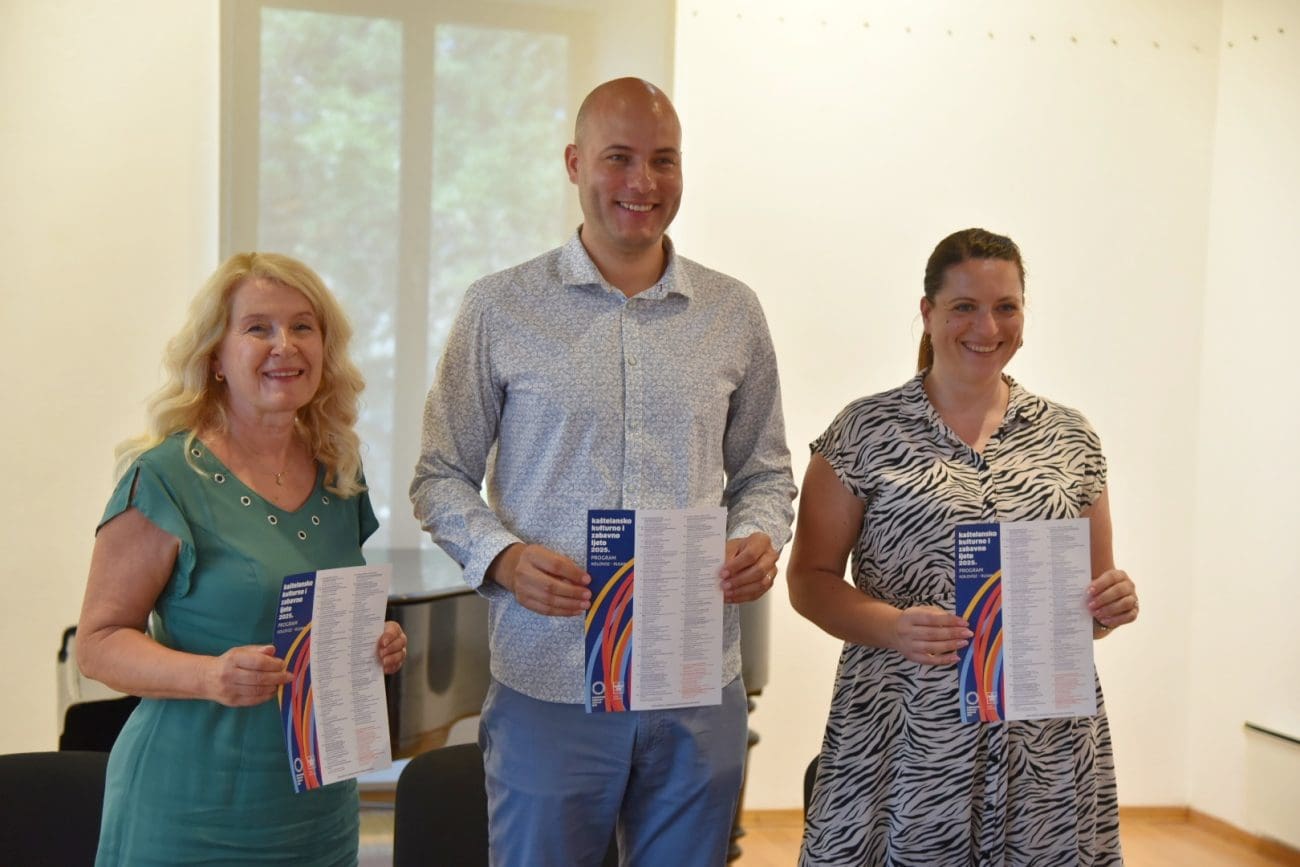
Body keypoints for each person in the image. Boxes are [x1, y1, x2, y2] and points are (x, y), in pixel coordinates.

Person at [410, 77, 796, 866]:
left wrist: (760, 534)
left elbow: (765, 472)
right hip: (549, 678)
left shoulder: (734, 313)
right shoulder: (499, 308)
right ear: (574, 162)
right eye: (618, 157)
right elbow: (439, 474)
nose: (641, 182)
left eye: (663, 160)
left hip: (694, 678)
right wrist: (505, 559)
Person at [788, 228, 1139, 866]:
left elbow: (1090, 606)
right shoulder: (864, 430)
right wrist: (892, 627)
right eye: (964, 307)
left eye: (1006, 307)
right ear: (928, 312)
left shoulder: (1071, 438)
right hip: (904, 738)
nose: (987, 327)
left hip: (1043, 746)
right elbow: (809, 581)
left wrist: (1110, 604)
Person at [77, 252, 408, 865]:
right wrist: (209, 675)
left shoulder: (339, 470)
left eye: (303, 326)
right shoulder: (165, 477)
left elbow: (320, 613)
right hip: (190, 812)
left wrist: (374, 641)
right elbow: (97, 644)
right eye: (258, 328)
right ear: (216, 357)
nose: (285, 345)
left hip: (318, 810)